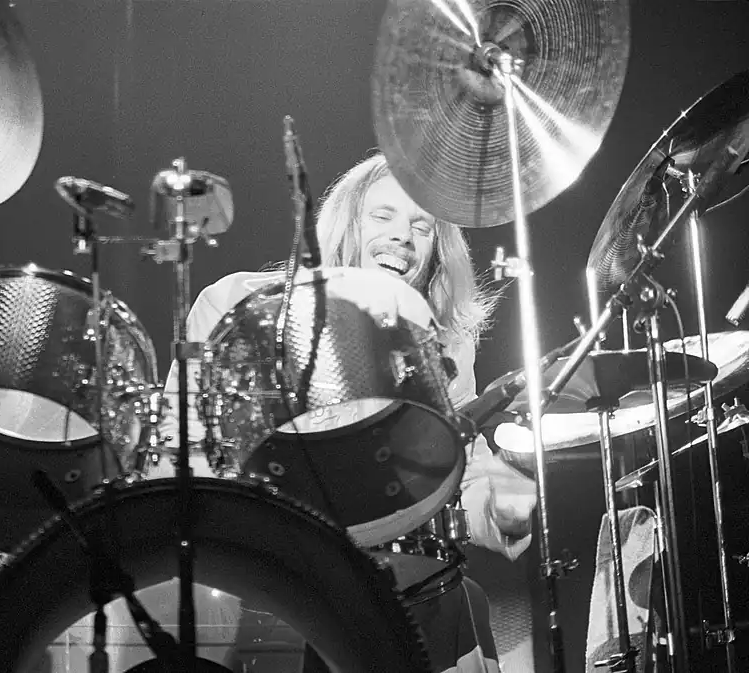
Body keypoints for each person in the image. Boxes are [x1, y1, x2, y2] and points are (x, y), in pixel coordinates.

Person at [158, 152, 538, 672]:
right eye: (382, 216)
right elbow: (179, 445)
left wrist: (501, 507)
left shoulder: (441, 346)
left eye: (421, 227)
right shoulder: (236, 302)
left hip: (402, 578)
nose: (402, 236)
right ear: (344, 225)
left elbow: (458, 473)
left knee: (460, 597)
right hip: (268, 571)